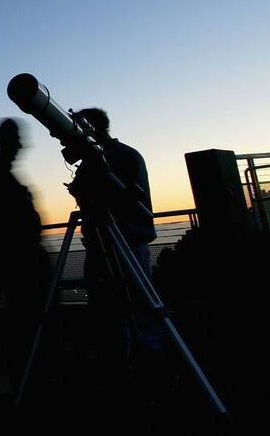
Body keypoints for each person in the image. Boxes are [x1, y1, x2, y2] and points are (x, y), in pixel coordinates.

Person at [67, 107, 165, 389]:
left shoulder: (121, 157)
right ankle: (120, 368)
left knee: (139, 309)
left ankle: (150, 368)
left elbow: (124, 199)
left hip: (127, 244)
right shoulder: (103, 159)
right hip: (104, 243)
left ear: (91, 128)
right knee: (105, 311)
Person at [0, 119, 52, 382]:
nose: (21, 145)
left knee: (24, 317)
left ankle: (28, 373)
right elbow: (2, 221)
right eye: (16, 139)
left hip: (15, 257)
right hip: (19, 260)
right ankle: (30, 375)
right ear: (7, 141)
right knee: (27, 318)